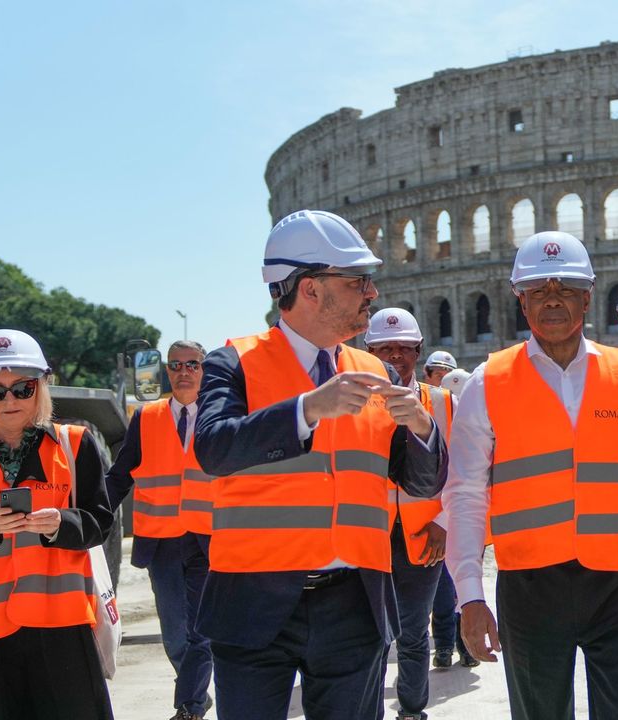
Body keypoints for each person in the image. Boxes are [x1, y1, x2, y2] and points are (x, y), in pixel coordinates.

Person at [193, 209, 446, 720]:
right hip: (252, 600)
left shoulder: (373, 369)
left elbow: (422, 480)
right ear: (309, 289)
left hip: (354, 604)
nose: (372, 293)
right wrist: (307, 410)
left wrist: (422, 427)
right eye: (358, 281)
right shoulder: (233, 362)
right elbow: (213, 449)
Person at [444, 231, 618, 720]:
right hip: (529, 585)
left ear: (587, 296)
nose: (551, 301)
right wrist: (469, 595)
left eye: (564, 290)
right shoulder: (487, 382)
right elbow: (466, 495)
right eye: (538, 291)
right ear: (521, 300)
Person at [0, 329, 114, 719]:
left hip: (60, 630)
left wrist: (58, 523)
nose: (9, 400)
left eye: (22, 388)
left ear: (40, 387)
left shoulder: (76, 444)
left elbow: (100, 525)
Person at [105, 340, 215, 720]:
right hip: (162, 542)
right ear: (167, 370)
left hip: (209, 540)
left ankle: (190, 706)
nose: (184, 371)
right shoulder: (146, 417)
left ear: (204, 369)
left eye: (192, 364)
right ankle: (196, 688)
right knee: (174, 632)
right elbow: (120, 475)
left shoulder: (220, 416)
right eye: (176, 365)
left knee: (201, 630)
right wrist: (92, 513)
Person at [364, 307, 455, 720]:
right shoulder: (353, 405)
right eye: (385, 348)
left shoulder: (443, 403)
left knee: (415, 632)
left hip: (423, 535)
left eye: (404, 348)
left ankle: (413, 709)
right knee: (371, 634)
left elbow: (466, 471)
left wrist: (445, 524)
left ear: (418, 351)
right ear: (368, 351)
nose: (395, 357)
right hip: (367, 538)